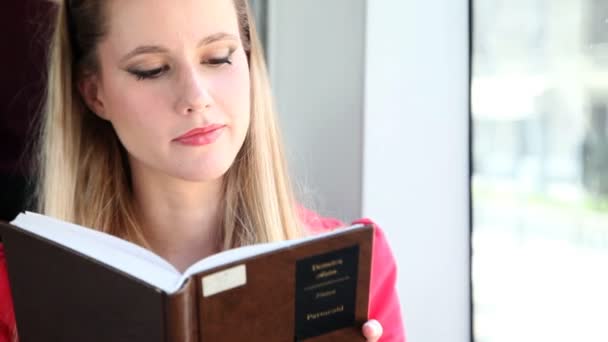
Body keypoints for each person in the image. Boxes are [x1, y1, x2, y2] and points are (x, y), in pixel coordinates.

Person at [0, 0, 405, 341]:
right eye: (152, 69)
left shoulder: (358, 273)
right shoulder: (16, 289)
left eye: (218, 58)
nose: (196, 97)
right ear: (95, 93)